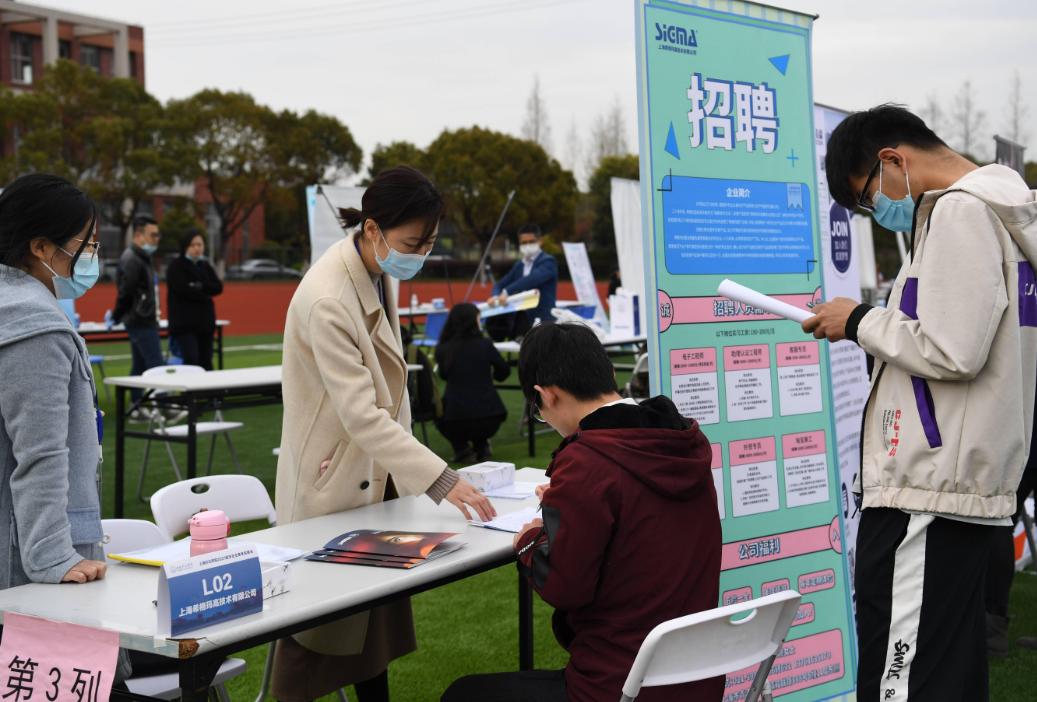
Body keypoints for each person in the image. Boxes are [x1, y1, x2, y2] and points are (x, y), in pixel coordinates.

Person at [806, 104, 1037, 701]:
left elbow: (952, 348)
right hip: (956, 486)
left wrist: (859, 320)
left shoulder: (960, 211)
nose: (873, 214)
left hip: (927, 492)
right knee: (948, 676)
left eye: (865, 198)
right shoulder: (998, 211)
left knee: (900, 682)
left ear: (892, 161)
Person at [274, 165, 496, 702]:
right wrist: (441, 478)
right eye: (412, 242)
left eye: (429, 242)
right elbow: (361, 413)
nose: (419, 253)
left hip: (373, 474)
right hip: (333, 479)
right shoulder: (329, 296)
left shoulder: (375, 269)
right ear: (373, 229)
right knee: (317, 634)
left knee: (371, 627)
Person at [442, 323, 723, 702]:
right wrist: (566, 501)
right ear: (608, 373)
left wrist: (531, 537)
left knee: (462, 694)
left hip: (619, 685)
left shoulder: (589, 461)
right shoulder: (683, 442)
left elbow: (565, 586)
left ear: (547, 396)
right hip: (696, 680)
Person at [0, 174, 131, 681]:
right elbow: (41, 454)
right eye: (86, 245)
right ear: (40, 247)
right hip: (33, 564)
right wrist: (53, 557)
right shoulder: (34, 327)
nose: (92, 258)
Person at [434, 302, 510, 463]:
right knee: (477, 423)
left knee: (437, 411)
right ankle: (481, 446)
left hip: (455, 419)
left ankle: (461, 448)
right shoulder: (485, 345)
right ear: (474, 321)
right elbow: (504, 371)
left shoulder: (443, 348)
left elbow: (444, 375)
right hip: (491, 416)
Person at [114, 215, 163, 406]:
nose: (157, 239)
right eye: (153, 235)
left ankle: (136, 405)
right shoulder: (132, 259)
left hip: (141, 318)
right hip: (140, 320)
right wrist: (117, 316)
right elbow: (125, 293)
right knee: (156, 364)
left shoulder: (142, 257)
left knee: (140, 365)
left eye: (158, 235)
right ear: (139, 235)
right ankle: (167, 405)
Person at [166, 230, 223, 370]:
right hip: (185, 325)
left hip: (205, 324)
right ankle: (192, 392)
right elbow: (183, 289)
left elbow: (217, 287)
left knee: (207, 361)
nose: (197, 248)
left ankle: (208, 392)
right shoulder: (176, 266)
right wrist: (203, 289)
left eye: (200, 244)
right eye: (193, 245)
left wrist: (199, 286)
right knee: (191, 361)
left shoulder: (205, 265)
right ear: (185, 247)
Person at [488, 223, 558, 333]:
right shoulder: (519, 265)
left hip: (543, 320)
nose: (527, 245)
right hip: (522, 319)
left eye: (531, 242)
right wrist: (495, 296)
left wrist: (507, 292)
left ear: (540, 241)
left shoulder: (548, 262)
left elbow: (532, 279)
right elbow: (500, 284)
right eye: (524, 243)